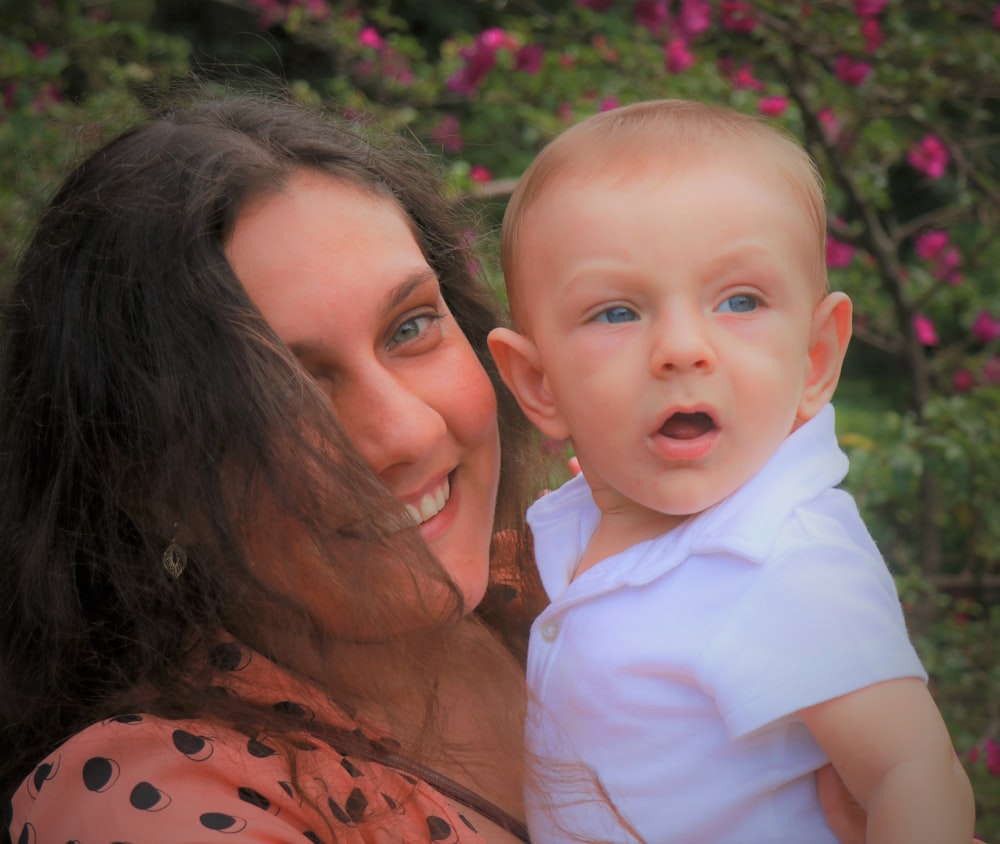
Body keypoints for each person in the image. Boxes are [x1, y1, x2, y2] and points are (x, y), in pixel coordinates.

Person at [0, 90, 918, 844]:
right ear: (146, 480)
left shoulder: (575, 590)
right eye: (285, 391)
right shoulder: (141, 800)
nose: (404, 431)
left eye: (410, 327)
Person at [488, 99, 976, 843]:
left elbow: (912, 773)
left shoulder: (784, 556)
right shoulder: (584, 516)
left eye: (739, 300)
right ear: (539, 384)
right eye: (617, 313)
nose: (683, 349)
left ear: (814, 359)